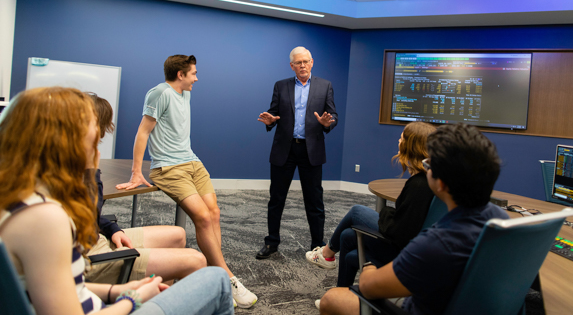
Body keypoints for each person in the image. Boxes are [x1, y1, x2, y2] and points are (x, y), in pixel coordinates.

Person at [0, 87, 233, 315]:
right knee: (216, 279)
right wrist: (132, 300)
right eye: (91, 128)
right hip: (107, 292)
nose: (98, 136)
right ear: (64, 139)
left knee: (180, 239)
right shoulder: (45, 218)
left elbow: (55, 286)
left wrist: (116, 291)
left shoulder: (21, 197)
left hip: (97, 291)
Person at [318, 123, 509, 315]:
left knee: (331, 300)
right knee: (351, 246)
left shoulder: (434, 244)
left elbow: (368, 286)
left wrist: (369, 267)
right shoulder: (500, 219)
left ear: (440, 183)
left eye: (430, 164)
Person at [115, 55, 257, 308]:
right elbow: (143, 132)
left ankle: (215, 274)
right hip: (168, 168)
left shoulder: (185, 93)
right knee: (201, 217)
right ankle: (227, 277)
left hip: (193, 162)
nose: (196, 78)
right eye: (193, 73)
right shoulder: (159, 93)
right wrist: (137, 172)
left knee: (213, 213)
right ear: (180, 75)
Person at [85, 93, 207, 284]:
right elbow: (78, 222)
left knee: (178, 235)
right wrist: (89, 170)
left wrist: (113, 229)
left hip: (98, 236)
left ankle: (154, 298)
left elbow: (90, 216)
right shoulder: (67, 170)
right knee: (196, 260)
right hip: (88, 257)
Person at [306, 122, 436, 287]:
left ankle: (327, 253)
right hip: (407, 245)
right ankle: (341, 295)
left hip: (402, 252)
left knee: (356, 212)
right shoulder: (427, 180)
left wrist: (385, 213)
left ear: (411, 145)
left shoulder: (419, 185)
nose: (398, 140)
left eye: (402, 138)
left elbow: (399, 232)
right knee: (346, 236)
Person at [256, 46, 338, 259]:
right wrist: (270, 120)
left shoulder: (325, 86)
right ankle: (272, 242)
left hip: (311, 150)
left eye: (306, 62)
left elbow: (333, 115)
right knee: (276, 199)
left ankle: (317, 245)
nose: (302, 66)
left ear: (312, 62)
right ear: (292, 65)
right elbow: (273, 112)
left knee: (314, 201)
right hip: (285, 148)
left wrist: (327, 122)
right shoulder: (281, 86)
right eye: (298, 63)